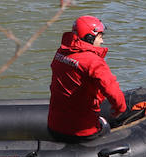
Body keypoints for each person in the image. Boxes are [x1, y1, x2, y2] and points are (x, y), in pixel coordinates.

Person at [47, 15, 126, 143]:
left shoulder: (60, 53)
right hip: (82, 132)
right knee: (106, 125)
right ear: (89, 38)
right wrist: (120, 109)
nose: (102, 41)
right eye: (100, 36)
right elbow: (112, 90)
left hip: (53, 128)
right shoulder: (93, 62)